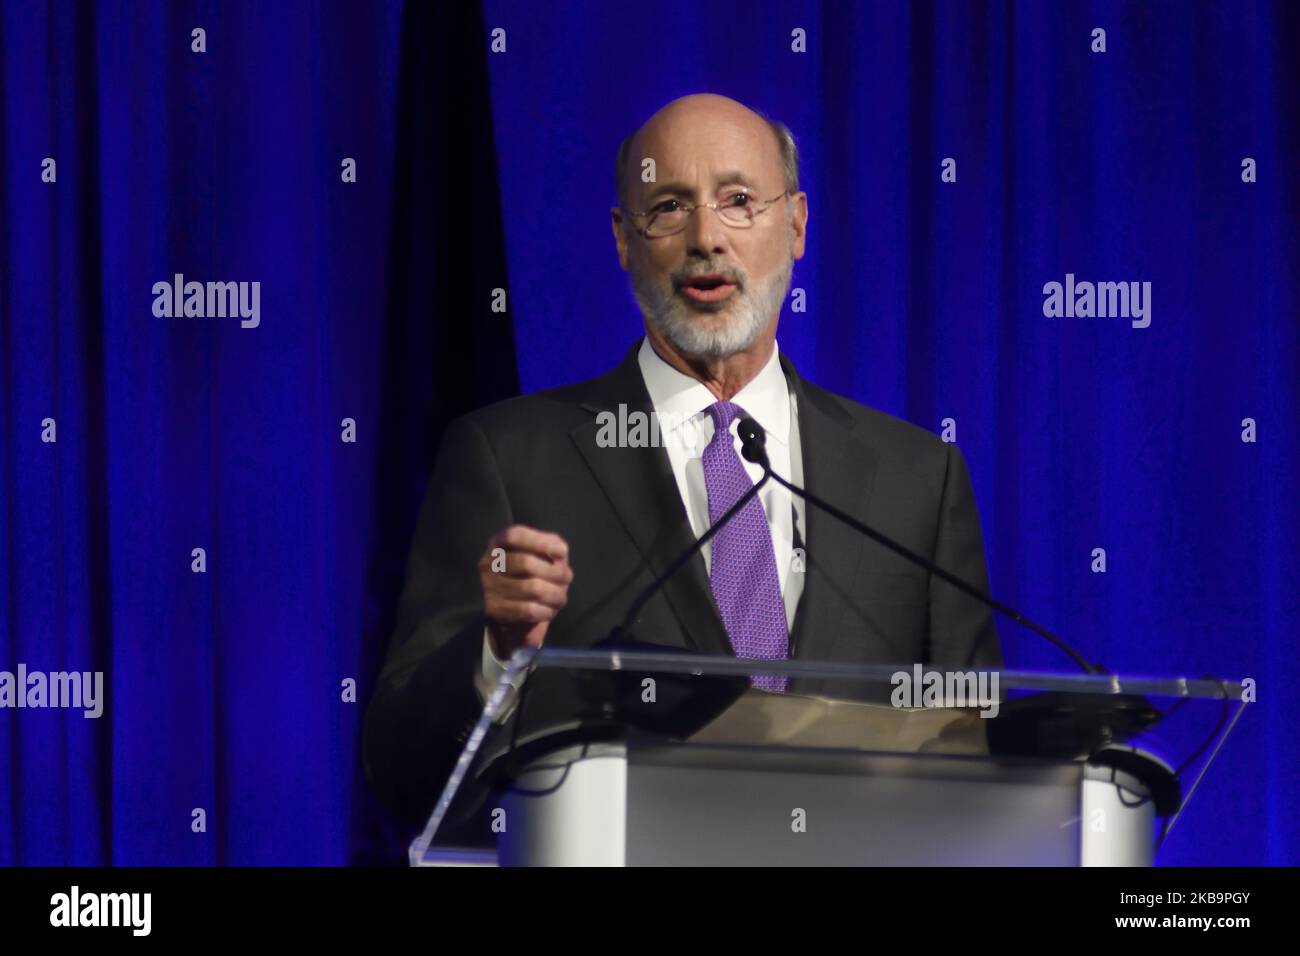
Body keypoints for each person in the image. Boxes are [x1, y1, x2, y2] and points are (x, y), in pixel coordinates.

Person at [363, 93, 1001, 828]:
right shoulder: (508, 459)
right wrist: (493, 656)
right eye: (668, 206)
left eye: (738, 201)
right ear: (623, 240)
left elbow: (973, 753)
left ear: (795, 224)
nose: (706, 237)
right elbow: (402, 773)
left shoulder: (916, 479)